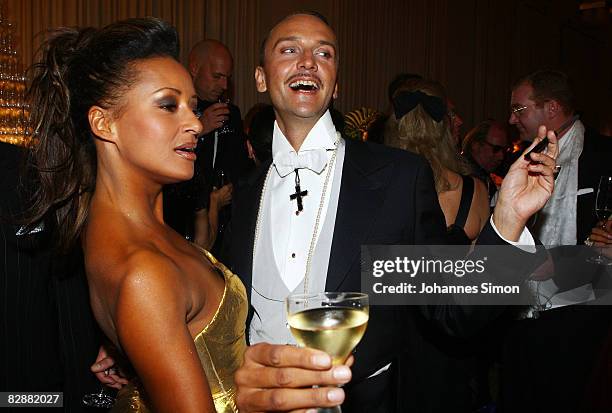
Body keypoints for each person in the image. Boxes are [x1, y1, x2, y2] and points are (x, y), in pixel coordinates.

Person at [228, 11, 557, 413]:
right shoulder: (245, 193)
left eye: (324, 53)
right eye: (290, 49)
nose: (308, 61)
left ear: (335, 87)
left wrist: (507, 221)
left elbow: (449, 308)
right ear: (260, 77)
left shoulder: (396, 180)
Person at [23, 18, 246, 412]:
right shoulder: (144, 272)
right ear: (104, 122)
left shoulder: (122, 230)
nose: (195, 123)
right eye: (167, 105)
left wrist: (141, 345)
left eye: (192, 108)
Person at [385, 79, 490, 244]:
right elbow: (485, 265)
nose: (460, 121)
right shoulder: (475, 191)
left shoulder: (378, 184)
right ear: (443, 126)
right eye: (452, 114)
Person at [462, 120, 512, 200]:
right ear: (476, 145)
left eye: (504, 150)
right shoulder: (464, 177)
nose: (501, 157)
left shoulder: (485, 175)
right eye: (496, 149)